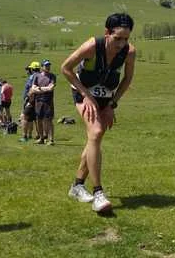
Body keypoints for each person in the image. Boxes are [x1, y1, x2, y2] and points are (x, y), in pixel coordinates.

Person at [61, 13, 136, 214]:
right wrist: (86, 96)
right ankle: (98, 193)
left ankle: (77, 186)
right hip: (83, 91)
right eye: (117, 38)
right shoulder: (92, 46)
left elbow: (127, 79)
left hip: (106, 96)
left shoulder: (129, 52)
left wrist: (112, 104)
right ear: (107, 33)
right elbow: (65, 68)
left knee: (95, 138)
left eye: (126, 38)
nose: (121, 44)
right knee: (95, 132)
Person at [30, 60, 56, 145]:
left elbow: (51, 88)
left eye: (49, 65)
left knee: (49, 120)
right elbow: (33, 88)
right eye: (46, 65)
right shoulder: (37, 76)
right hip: (38, 101)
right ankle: (41, 138)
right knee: (39, 120)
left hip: (48, 101)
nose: (48, 67)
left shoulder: (52, 76)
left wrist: (39, 88)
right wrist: (45, 89)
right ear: (42, 67)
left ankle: (51, 139)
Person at [19, 61, 40, 142]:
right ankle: (37, 135)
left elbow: (32, 88)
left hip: (31, 100)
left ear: (32, 69)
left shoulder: (33, 77)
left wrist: (28, 98)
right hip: (37, 100)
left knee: (24, 117)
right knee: (33, 119)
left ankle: (24, 136)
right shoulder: (40, 75)